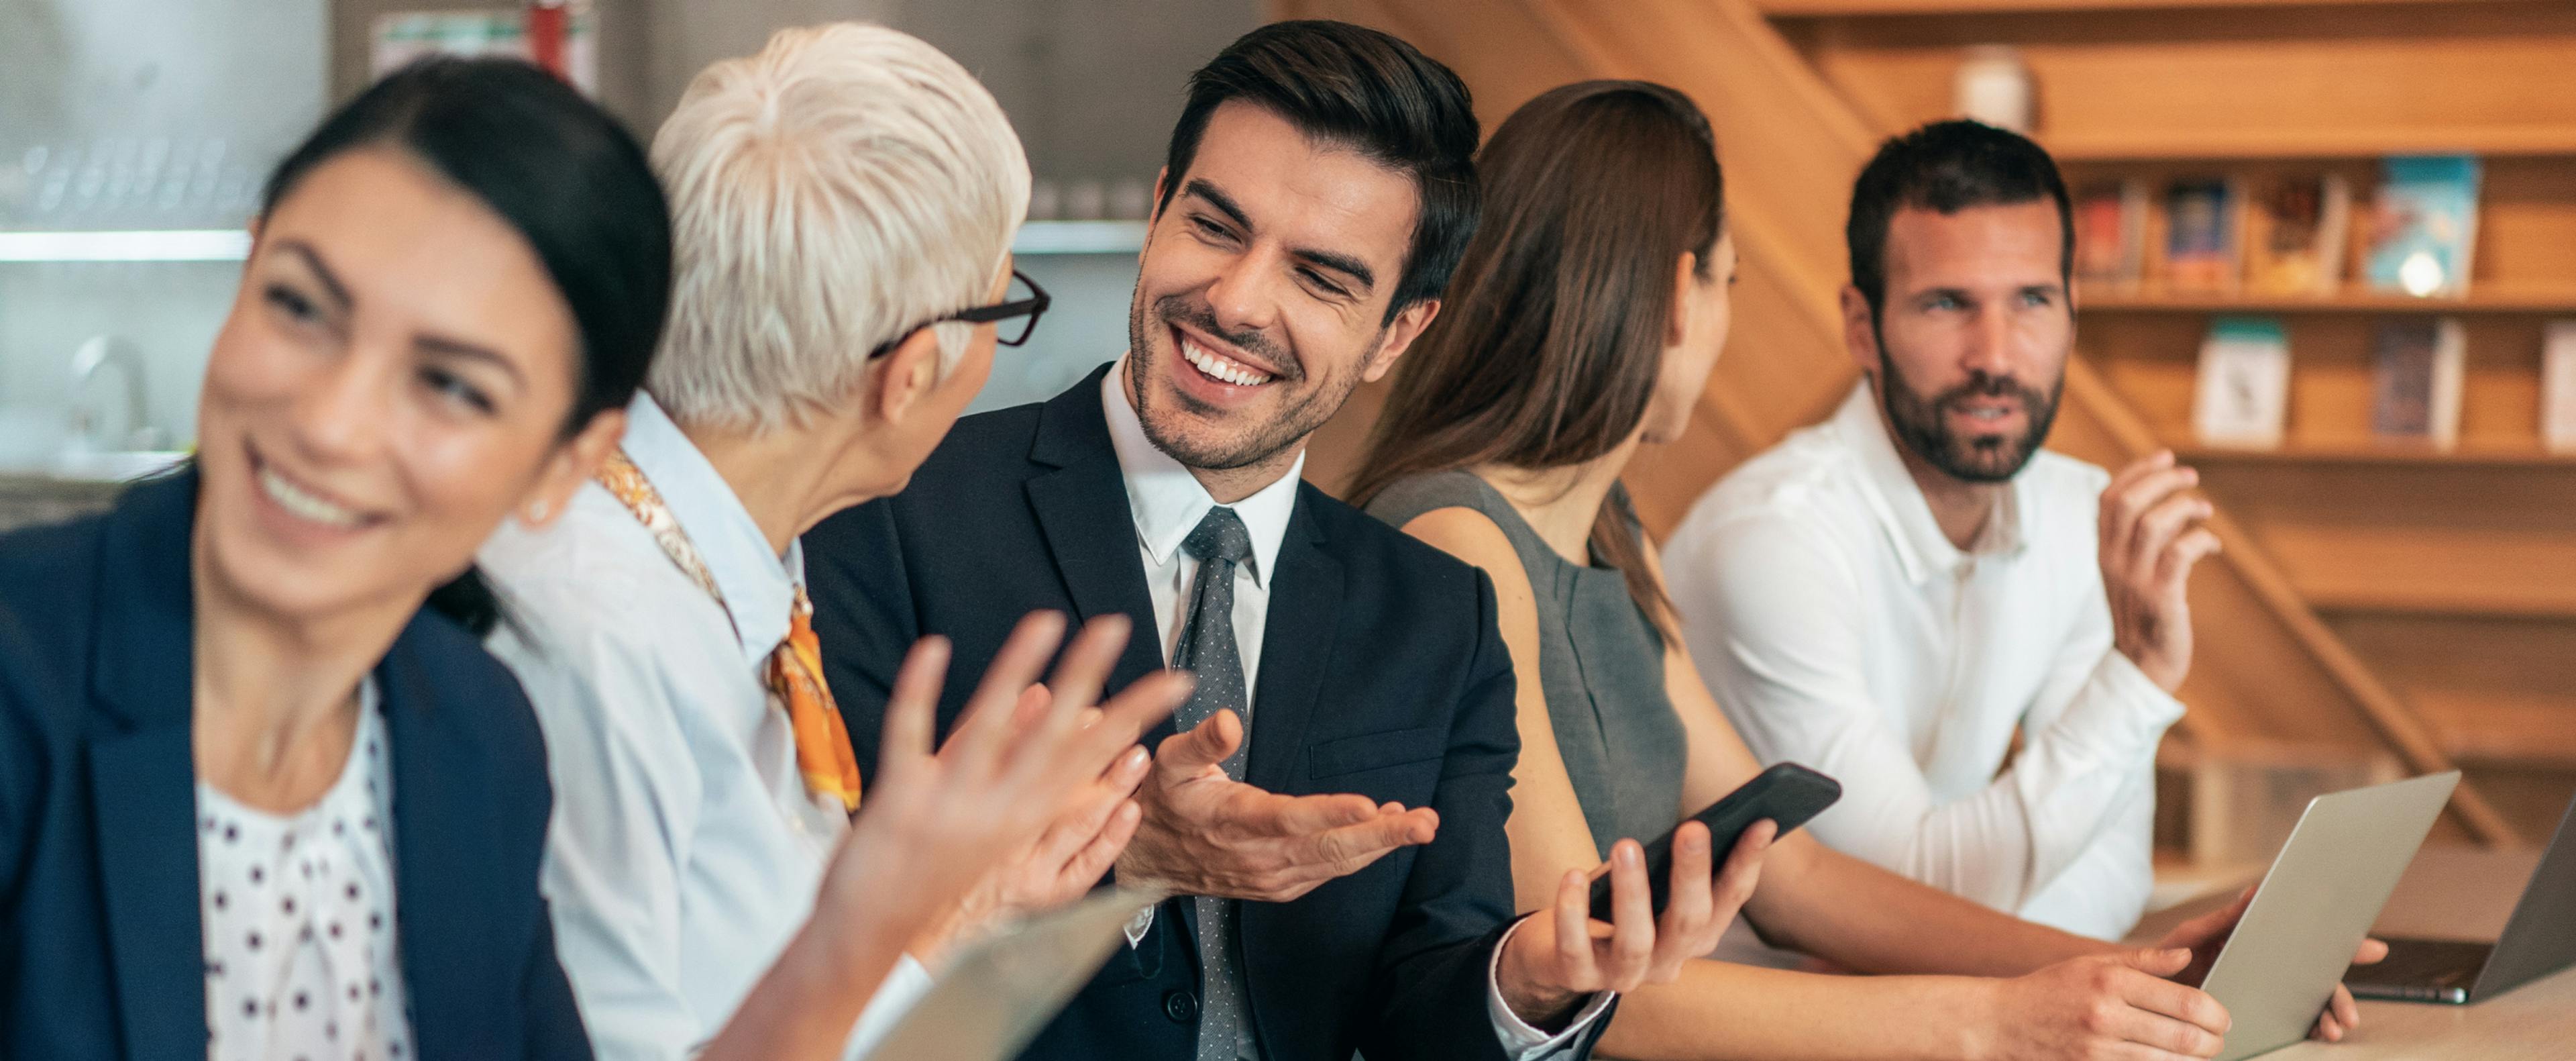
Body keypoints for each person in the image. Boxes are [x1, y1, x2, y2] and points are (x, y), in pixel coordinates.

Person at [804, 21, 1766, 1061]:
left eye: (1321, 277)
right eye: (1216, 227)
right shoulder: (898, 508)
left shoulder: (1440, 616)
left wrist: (1525, 987)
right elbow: (804, 919)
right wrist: (1120, 860)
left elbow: (1423, 1012)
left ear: (1399, 331)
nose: (1235, 300)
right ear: (1162, 202)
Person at [1352, 86, 2377, 1060]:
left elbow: (1797, 877)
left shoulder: (1609, 530)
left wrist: (2138, 970)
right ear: (1678, 296)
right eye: (1728, 282)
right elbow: (1588, 988)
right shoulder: (1459, 539)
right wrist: (2001, 1021)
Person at [475, 25, 1189, 1061]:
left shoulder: (742, 554)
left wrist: (959, 909)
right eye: (1003, 302)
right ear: (902, 378)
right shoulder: (593, 631)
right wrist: (915, 921)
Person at [0, 58, 644, 1061]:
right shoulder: (17, 677)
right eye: (301, 308)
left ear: (567, 464)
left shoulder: (478, 736)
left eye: (451, 385)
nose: (332, 424)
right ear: (248, 271)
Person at [1660, 119, 2196, 942]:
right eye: (1947, 304)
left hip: (1962, 1008)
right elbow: (1901, 890)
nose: (1996, 355)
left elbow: (2111, 867)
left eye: (2032, 301)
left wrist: (2097, 983)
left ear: (2071, 311)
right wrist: (2140, 674)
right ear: (1862, 326)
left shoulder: (2082, 515)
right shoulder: (1771, 542)